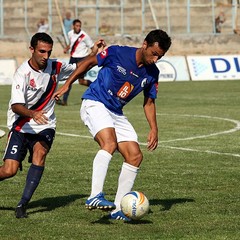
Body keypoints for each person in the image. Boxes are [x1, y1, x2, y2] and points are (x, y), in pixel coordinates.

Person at [53, 29, 172, 221]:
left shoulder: (152, 73)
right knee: (109, 143)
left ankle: (118, 209)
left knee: (135, 156)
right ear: (145, 45)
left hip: (116, 112)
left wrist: (154, 128)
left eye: (161, 56)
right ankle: (94, 196)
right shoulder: (117, 52)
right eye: (154, 54)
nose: (156, 59)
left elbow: (149, 102)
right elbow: (89, 62)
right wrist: (67, 85)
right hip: (95, 101)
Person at [0, 32, 105, 219]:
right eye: (41, 51)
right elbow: (16, 106)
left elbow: (79, 67)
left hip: (45, 124)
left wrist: (94, 53)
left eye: (49, 52)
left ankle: (22, 205)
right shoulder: (22, 73)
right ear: (31, 49)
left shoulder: (55, 66)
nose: (45, 56)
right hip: (21, 125)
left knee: (40, 155)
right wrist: (32, 113)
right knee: (9, 170)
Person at [57, 19, 96, 106]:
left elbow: (93, 48)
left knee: (81, 81)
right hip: (73, 58)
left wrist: (89, 58)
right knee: (70, 79)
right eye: (77, 26)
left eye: (79, 26)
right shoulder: (70, 33)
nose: (78, 28)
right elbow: (71, 44)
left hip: (82, 59)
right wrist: (67, 48)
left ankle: (96, 87)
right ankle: (64, 100)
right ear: (73, 26)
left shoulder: (84, 36)